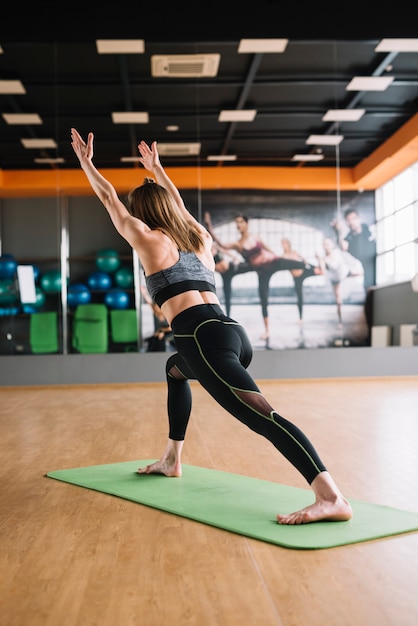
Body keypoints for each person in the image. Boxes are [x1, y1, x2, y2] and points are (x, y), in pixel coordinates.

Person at [70, 128, 352, 525]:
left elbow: (108, 199)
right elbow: (181, 207)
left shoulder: (149, 240)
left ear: (143, 213)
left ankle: (330, 497)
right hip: (232, 334)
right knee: (173, 370)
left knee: (265, 419)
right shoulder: (198, 237)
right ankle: (172, 459)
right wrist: (159, 170)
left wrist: (86, 162)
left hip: (201, 339)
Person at [205, 213, 322, 339]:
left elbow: (267, 248)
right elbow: (222, 244)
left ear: (246, 224)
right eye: (237, 223)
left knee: (298, 263)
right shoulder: (238, 245)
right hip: (262, 272)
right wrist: (209, 226)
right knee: (263, 298)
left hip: (274, 262)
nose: (239, 225)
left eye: (241, 222)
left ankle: (317, 269)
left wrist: (277, 255)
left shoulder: (255, 236)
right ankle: (267, 330)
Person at [332, 208, 376, 291]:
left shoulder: (369, 229)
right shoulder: (349, 237)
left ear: (358, 219)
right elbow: (343, 246)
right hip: (367, 271)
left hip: (377, 265)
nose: (351, 222)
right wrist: (337, 232)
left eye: (353, 219)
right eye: (348, 220)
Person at [281, 237, 320, 323]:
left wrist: (306, 263)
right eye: (282, 244)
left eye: (285, 243)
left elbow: (304, 260)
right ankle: (300, 317)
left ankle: (321, 267)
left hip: (303, 271)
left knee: (317, 270)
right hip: (296, 278)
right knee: (299, 296)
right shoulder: (283, 256)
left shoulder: (294, 252)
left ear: (288, 244)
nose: (283, 245)